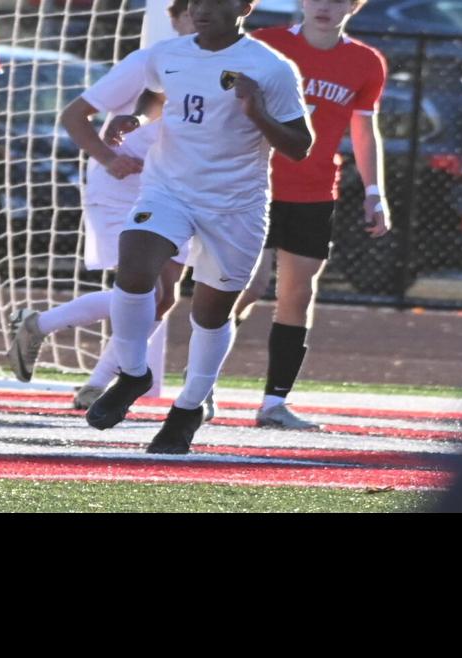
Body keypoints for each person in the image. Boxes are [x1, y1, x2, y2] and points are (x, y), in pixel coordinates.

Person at [84, 0, 311, 455]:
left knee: (210, 314)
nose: (201, 9)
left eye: (214, 1)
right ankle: (132, 373)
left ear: (244, 6)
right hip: (168, 189)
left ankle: (188, 408)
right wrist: (138, 117)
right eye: (195, 2)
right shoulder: (168, 53)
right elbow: (157, 92)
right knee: (134, 268)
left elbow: (299, 146)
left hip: (235, 207)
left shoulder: (271, 68)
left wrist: (258, 113)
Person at [3, 0, 195, 412]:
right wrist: (109, 157)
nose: (203, 18)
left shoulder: (222, 65)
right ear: (175, 17)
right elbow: (75, 115)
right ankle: (41, 326)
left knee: (164, 298)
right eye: (192, 11)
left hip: (174, 188)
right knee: (145, 291)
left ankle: (94, 383)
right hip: (123, 188)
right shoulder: (144, 62)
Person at [233, 0, 389, 431]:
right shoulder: (266, 44)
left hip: (314, 190)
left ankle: (274, 403)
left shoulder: (365, 62)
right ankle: (200, 382)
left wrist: (374, 192)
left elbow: (364, 127)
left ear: (353, 7)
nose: (325, 6)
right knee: (248, 284)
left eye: (338, 0)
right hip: (255, 185)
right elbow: (226, 100)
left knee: (298, 294)